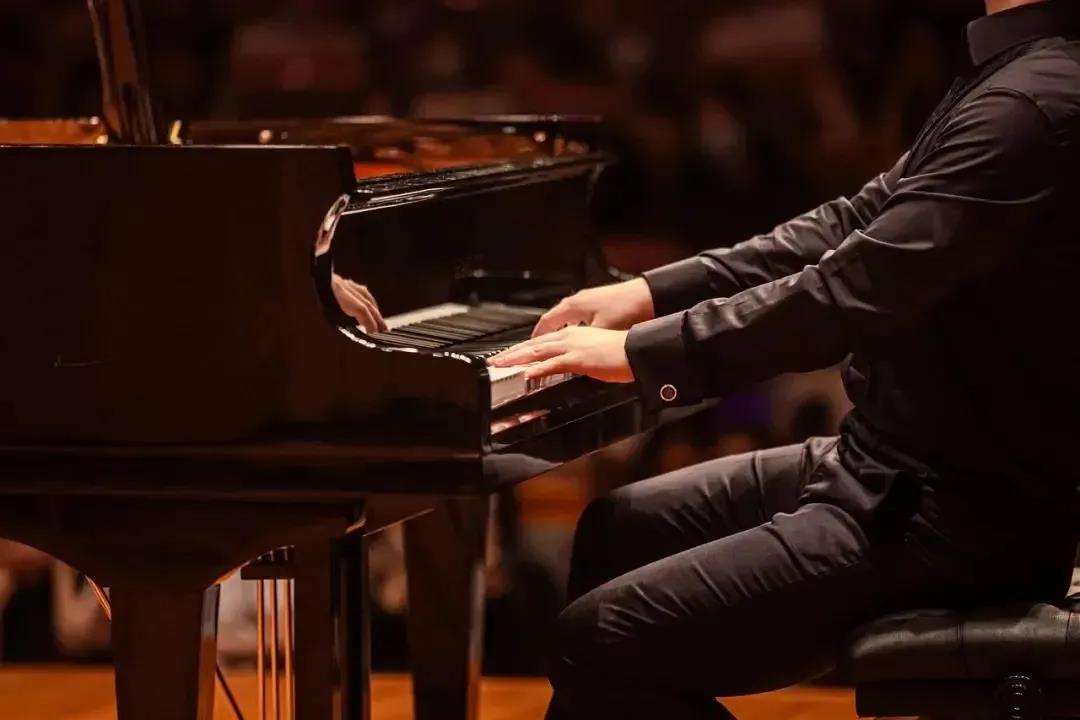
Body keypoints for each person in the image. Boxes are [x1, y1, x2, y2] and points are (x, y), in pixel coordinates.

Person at [489, 1, 1080, 717]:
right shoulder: (1016, 71)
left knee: (598, 641)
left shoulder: (1033, 104)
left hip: (952, 516)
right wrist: (649, 294)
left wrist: (646, 354)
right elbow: (849, 223)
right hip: (886, 467)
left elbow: (850, 291)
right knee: (617, 530)